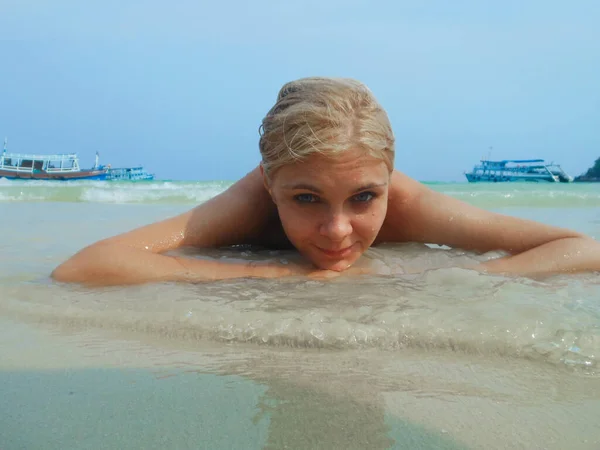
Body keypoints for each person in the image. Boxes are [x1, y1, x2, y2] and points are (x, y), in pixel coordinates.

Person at [52, 77, 600, 286]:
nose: (337, 230)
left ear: (388, 178)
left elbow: (582, 247)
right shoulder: (250, 201)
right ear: (270, 184)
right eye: (307, 198)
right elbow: (85, 265)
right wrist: (275, 276)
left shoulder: (406, 203)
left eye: (364, 197)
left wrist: (460, 283)